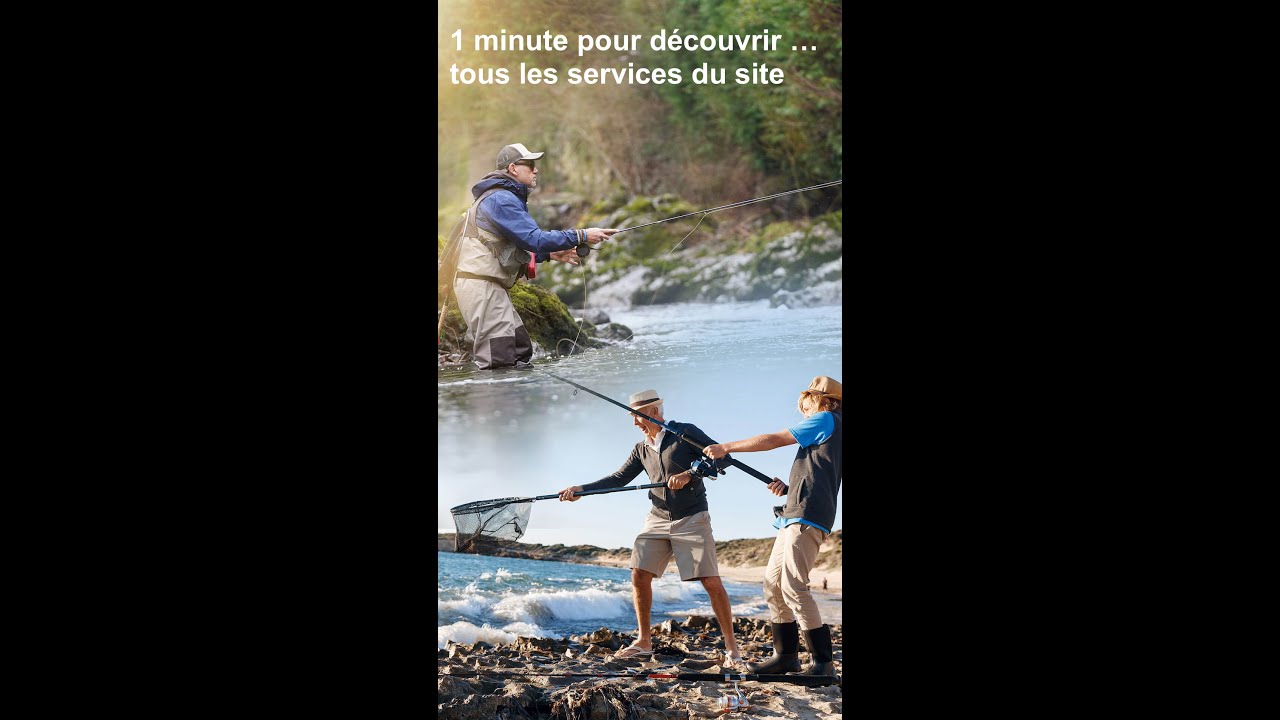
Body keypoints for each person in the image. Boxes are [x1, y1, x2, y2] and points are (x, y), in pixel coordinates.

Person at [558, 389, 744, 669]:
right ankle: (644, 641)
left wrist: (690, 473)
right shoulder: (641, 449)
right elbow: (619, 478)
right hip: (656, 517)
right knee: (639, 573)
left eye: (637, 417)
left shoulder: (684, 432)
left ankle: (732, 648)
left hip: (692, 517)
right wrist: (581, 490)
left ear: (654, 412)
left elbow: (722, 458)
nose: (634, 423)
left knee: (710, 581)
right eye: (631, 418)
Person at [702, 376, 842, 677]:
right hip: (796, 513)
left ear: (827, 402)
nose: (806, 414)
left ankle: (823, 665)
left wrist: (727, 447)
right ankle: (786, 657)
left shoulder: (828, 418)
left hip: (806, 516)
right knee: (772, 585)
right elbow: (818, 476)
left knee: (793, 587)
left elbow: (775, 439)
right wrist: (789, 487)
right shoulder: (830, 427)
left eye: (809, 407)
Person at [451, 142, 619, 369]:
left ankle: (513, 402)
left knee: (520, 348)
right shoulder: (501, 199)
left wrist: (549, 254)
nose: (536, 170)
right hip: (481, 287)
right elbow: (534, 239)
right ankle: (494, 403)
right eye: (530, 165)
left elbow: (505, 248)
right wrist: (581, 235)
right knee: (498, 359)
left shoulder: (501, 198)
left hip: (489, 286)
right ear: (512, 168)